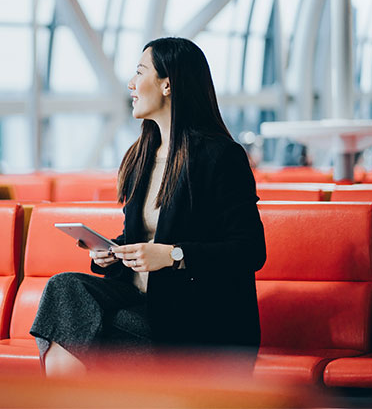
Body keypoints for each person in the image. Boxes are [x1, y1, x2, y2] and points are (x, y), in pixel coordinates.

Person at [30, 37, 266, 376]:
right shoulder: (142, 155)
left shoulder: (221, 157)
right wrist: (113, 252)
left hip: (200, 319)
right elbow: (140, 235)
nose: (130, 84)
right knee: (64, 288)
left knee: (79, 330)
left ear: (167, 84)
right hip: (146, 306)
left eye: (139, 72)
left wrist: (173, 256)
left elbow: (250, 251)